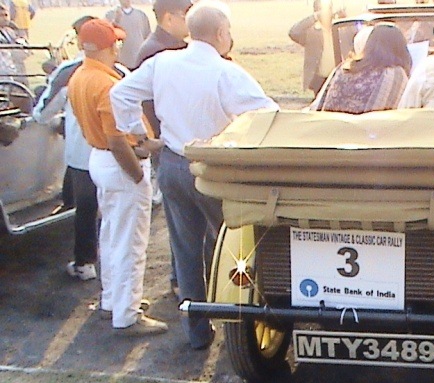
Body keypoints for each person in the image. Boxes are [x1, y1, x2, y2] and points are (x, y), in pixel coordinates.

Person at [110, 0, 279, 349]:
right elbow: (268, 114)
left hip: (172, 163)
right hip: (213, 167)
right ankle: (240, 327)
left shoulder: (163, 63)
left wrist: (137, 135)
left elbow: (121, 92)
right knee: (236, 248)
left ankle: (197, 332)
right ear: (220, 34)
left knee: (186, 252)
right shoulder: (226, 72)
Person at [68, 18, 167, 335]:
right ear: (109, 46)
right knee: (129, 242)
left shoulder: (81, 75)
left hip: (100, 159)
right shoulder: (105, 84)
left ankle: (113, 300)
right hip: (118, 161)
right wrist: (139, 175)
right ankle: (126, 313)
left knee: (112, 235)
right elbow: (116, 139)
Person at [33, 15, 102, 282]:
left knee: (85, 208)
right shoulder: (120, 71)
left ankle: (85, 262)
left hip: (83, 154)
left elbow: (41, 114)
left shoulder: (67, 72)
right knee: (113, 210)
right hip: (116, 152)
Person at [133, 0, 192, 300]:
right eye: (187, 15)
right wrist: (154, 137)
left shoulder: (171, 46)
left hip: (173, 141)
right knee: (182, 221)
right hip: (169, 144)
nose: (190, 21)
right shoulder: (156, 51)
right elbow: (143, 102)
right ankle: (181, 279)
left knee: (182, 220)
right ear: (169, 18)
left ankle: (184, 277)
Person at [311, 24, 411, 113]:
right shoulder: (395, 74)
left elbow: (318, 106)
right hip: (361, 131)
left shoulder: (344, 67)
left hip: (328, 128)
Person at [289, 0, 346, 96]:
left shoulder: (340, 29)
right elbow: (293, 32)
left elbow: (357, 36)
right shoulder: (312, 33)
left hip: (338, 77)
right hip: (319, 80)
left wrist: (345, 18)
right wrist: (314, 17)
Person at [105, 0, 151, 69]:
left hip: (139, 61)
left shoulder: (141, 15)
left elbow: (147, 37)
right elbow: (105, 36)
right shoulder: (110, 15)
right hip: (120, 63)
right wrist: (115, 21)